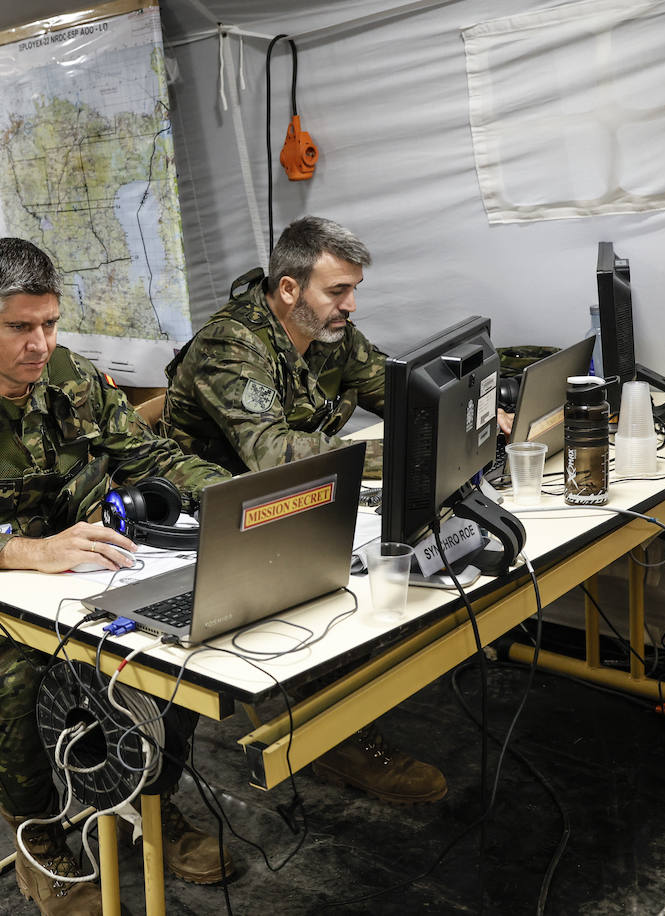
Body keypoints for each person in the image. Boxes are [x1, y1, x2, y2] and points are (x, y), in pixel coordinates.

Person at [0, 237, 240, 914]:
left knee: (175, 636)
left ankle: (146, 800)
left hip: (69, 582)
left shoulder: (73, 377)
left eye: (49, 324)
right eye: (19, 327)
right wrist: (22, 551)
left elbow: (149, 453)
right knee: (16, 670)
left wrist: (241, 499)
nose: (39, 344)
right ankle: (39, 839)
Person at [160, 215, 449, 805]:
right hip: (203, 512)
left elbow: (399, 390)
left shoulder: (330, 333)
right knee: (352, 578)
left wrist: (460, 413)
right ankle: (331, 735)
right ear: (289, 289)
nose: (351, 305)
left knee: (391, 562)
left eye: (353, 289)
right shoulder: (233, 342)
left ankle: (335, 728)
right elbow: (269, 454)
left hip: (289, 498)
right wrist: (396, 450)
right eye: (337, 290)